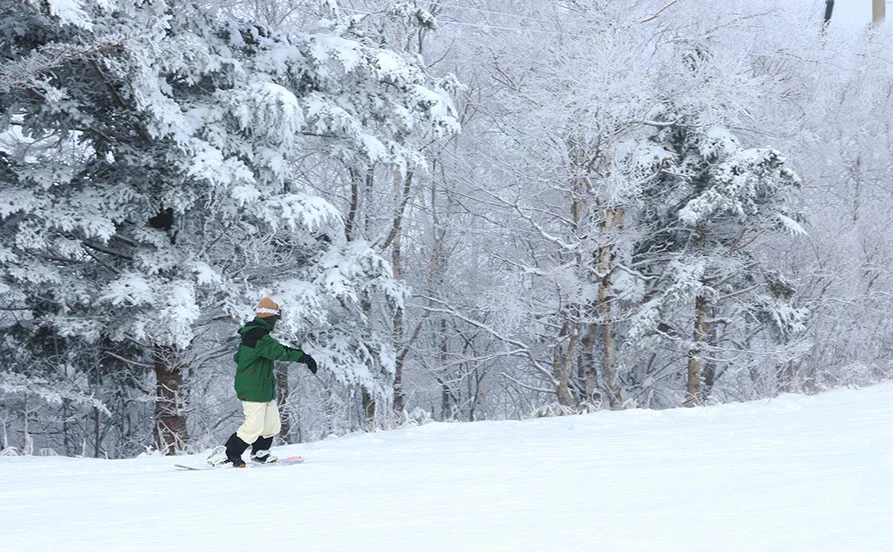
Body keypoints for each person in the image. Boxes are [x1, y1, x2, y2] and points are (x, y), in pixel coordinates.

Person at [207, 297, 317, 467]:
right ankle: (227, 455)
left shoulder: (257, 334)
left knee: (272, 424)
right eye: (275, 320)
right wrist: (304, 357)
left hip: (262, 386)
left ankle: (260, 453)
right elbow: (279, 352)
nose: (276, 324)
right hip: (253, 387)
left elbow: (242, 356)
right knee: (253, 426)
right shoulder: (257, 336)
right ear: (270, 318)